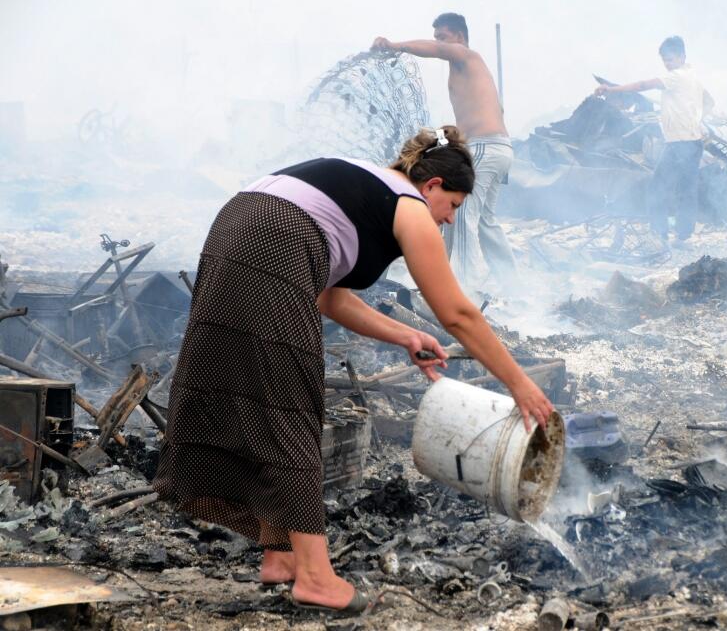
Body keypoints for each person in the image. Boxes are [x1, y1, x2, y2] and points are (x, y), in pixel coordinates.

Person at [151, 127, 554, 615]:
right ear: (432, 185)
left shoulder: (366, 187)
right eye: (452, 205)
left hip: (237, 227)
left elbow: (330, 299)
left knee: (251, 395)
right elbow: (458, 314)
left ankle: (281, 555)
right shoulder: (410, 207)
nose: (449, 219)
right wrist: (519, 383)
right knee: (290, 408)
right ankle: (316, 578)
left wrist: (405, 335)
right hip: (273, 244)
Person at [372, 13, 516, 289]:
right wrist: (434, 141)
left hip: (484, 147)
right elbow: (467, 124)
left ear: (459, 37)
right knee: (486, 222)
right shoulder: (469, 71)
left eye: (443, 37)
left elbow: (437, 50)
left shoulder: (466, 55)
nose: (438, 41)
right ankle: (512, 285)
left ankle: (461, 289)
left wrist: (394, 45)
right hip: (498, 148)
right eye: (436, 37)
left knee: (458, 213)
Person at [595, 36, 713, 244]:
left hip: (679, 144)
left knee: (658, 187)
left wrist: (611, 89)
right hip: (691, 142)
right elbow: (709, 101)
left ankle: (659, 233)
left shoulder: (677, 76)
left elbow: (643, 85)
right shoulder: (693, 77)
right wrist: (695, 120)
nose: (668, 64)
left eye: (671, 59)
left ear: (682, 57)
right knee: (686, 190)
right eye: (665, 60)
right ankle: (682, 236)